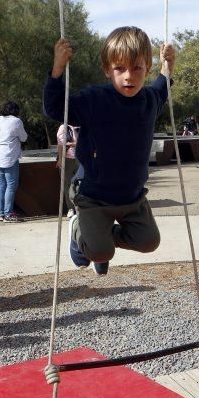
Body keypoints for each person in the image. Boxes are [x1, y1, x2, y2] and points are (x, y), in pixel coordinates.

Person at [44, 26, 174, 276]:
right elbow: (55, 109)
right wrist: (57, 69)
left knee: (148, 242)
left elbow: (162, 87)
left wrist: (168, 67)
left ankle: (99, 239)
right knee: (100, 252)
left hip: (132, 198)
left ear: (147, 67)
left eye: (137, 68)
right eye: (120, 69)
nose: (129, 76)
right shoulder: (95, 100)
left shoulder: (149, 100)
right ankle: (79, 229)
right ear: (107, 70)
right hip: (94, 196)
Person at [0, 101, 28, 223]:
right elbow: (24, 138)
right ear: (15, 110)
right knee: (11, 186)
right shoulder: (16, 121)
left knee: (1, 185)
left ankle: (2, 214)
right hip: (10, 158)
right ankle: (9, 214)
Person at [56, 123, 79, 217]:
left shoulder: (81, 126)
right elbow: (61, 144)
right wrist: (60, 159)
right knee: (67, 184)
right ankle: (70, 208)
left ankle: (80, 207)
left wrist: (73, 143)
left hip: (80, 158)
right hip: (68, 158)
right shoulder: (63, 127)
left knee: (80, 183)